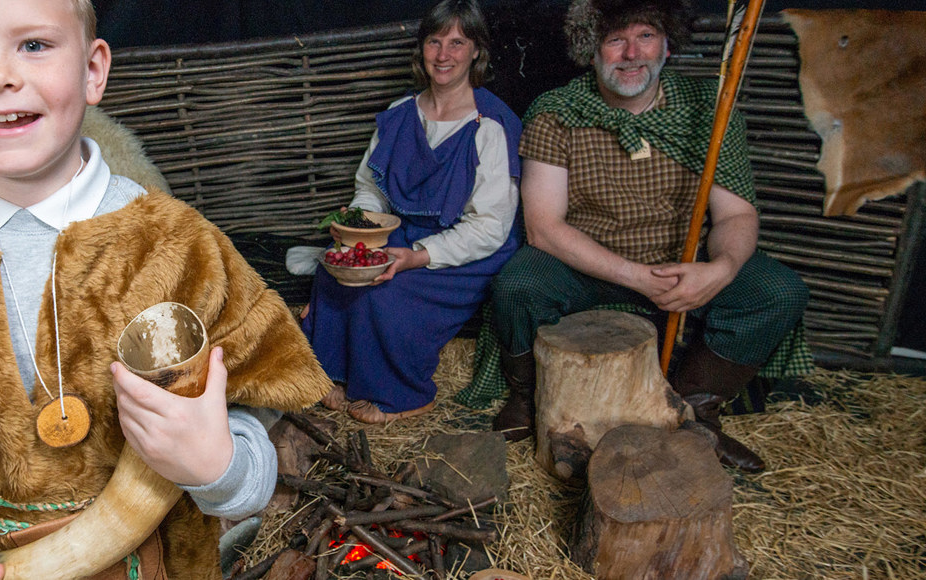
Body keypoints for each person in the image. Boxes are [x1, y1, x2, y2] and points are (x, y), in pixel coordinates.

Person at [0, 0, 333, 578]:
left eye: (33, 44)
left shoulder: (182, 248)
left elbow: (251, 443)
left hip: (155, 560)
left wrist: (218, 465)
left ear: (93, 71)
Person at [488, 0, 808, 473]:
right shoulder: (558, 112)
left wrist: (718, 270)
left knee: (779, 291)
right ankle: (527, 398)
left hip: (683, 260)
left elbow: (737, 215)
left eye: (645, 36)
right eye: (615, 40)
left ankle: (695, 413)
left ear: (667, 44)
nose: (631, 53)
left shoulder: (707, 111)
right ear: (591, 50)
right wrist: (636, 276)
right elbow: (544, 227)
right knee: (517, 284)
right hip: (587, 263)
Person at [300, 0, 523, 424]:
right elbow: (370, 187)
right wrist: (361, 230)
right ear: (421, 50)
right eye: (434, 42)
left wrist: (418, 256)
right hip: (400, 234)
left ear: (476, 50)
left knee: (385, 293)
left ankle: (403, 394)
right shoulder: (400, 115)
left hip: (466, 250)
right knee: (337, 269)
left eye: (457, 43)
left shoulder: (489, 125)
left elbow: (491, 226)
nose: (444, 55)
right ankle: (337, 374)